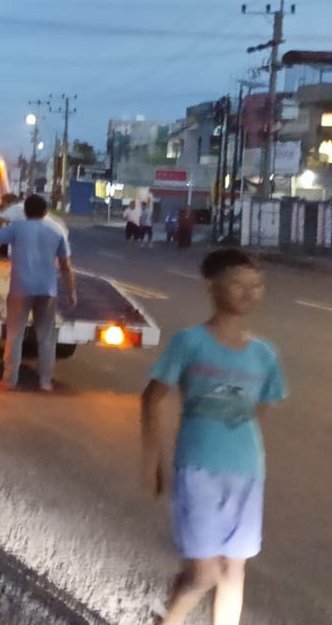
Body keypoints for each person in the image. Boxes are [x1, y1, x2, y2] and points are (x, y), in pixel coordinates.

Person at [140, 249, 286, 625]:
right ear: (211, 286)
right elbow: (152, 398)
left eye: (257, 286)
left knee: (234, 571)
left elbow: (260, 409)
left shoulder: (264, 354)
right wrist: (152, 460)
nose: (250, 293)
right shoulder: (191, 342)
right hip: (198, 468)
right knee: (204, 573)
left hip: (248, 471)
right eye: (238, 284)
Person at [0, 195, 77, 392]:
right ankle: (45, 382)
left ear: (25, 211)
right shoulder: (56, 231)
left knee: (15, 335)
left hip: (21, 289)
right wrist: (72, 292)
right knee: (46, 337)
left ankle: (9, 380)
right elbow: (66, 267)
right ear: (46, 212)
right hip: (47, 290)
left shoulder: (16, 228)